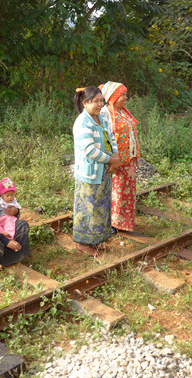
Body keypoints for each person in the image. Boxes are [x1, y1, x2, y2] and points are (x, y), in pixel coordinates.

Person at [73, 86, 120, 255]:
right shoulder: (82, 122)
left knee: (101, 206)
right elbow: (89, 151)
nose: (100, 105)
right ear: (85, 103)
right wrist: (112, 160)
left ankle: (96, 240)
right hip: (90, 173)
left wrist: (115, 157)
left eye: (101, 101)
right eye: (95, 102)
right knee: (88, 208)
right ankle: (83, 243)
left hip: (104, 171)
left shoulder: (102, 118)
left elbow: (111, 137)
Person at [100, 81, 140, 232]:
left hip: (128, 160)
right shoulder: (105, 113)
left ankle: (124, 223)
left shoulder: (123, 112)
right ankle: (113, 224)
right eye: (123, 95)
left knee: (127, 192)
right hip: (116, 161)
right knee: (116, 192)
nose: (126, 98)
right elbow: (105, 138)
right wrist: (111, 160)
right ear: (114, 97)